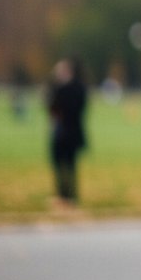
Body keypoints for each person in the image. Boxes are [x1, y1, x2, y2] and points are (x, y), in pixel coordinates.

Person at [46, 57, 88, 210]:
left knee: (70, 166)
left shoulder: (74, 88)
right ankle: (62, 195)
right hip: (61, 132)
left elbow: (64, 109)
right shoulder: (60, 88)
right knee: (59, 165)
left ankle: (70, 196)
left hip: (68, 132)